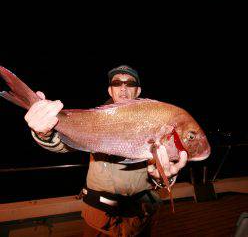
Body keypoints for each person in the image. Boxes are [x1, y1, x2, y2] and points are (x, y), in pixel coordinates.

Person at [24, 65, 188, 236]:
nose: (123, 88)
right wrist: (44, 132)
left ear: (138, 91)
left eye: (130, 83)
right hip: (99, 218)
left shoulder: (153, 121)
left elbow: (159, 168)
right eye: (117, 83)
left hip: (141, 217)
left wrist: (163, 177)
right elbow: (64, 144)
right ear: (110, 90)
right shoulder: (96, 118)